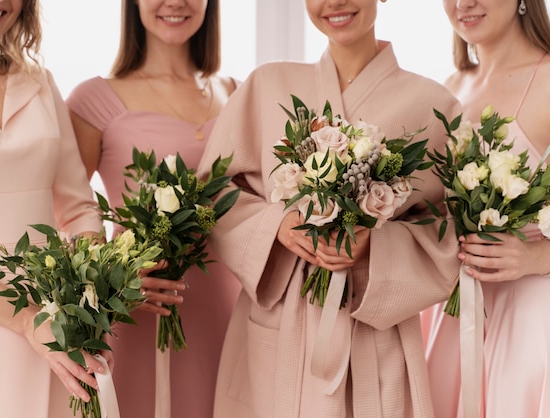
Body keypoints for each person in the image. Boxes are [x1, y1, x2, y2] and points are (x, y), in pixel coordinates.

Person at [193, 0, 464, 416]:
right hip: (280, 328)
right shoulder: (267, 84)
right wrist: (277, 225)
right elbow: (212, 191)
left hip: (376, 336)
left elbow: (451, 229)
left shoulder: (434, 105)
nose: (334, 3)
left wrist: (376, 244)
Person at [0, 0, 115, 416]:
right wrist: (27, 321)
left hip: (57, 326)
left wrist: (88, 305)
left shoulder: (39, 82)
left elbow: (80, 208)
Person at [66, 0, 240, 417]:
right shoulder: (93, 99)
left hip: (229, 309)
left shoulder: (236, 92)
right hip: (139, 316)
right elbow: (68, 211)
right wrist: (113, 279)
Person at [421, 0, 550, 416]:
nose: (464, 4)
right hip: (454, 310)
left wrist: (537, 255)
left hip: (530, 314)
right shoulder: (450, 86)